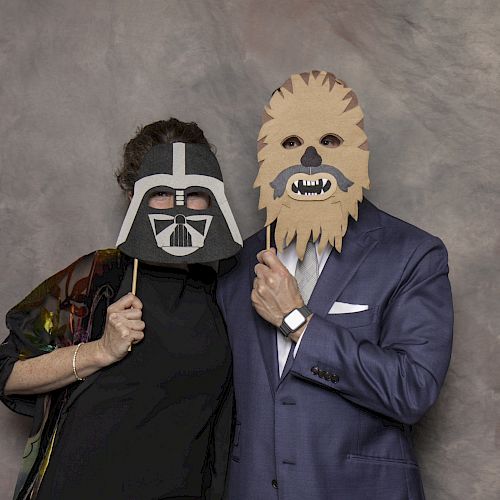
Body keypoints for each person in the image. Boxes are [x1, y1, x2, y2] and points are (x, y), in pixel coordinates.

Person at [216, 71, 453, 499]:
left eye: (328, 140)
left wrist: (297, 320)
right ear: (266, 155)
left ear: (357, 151)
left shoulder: (412, 254)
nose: (310, 158)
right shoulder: (233, 264)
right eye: (290, 142)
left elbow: (413, 390)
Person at [0, 118, 242, 500]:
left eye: (193, 192)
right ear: (133, 198)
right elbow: (7, 371)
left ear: (211, 199)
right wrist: (100, 351)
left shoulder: (225, 287)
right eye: (160, 192)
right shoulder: (98, 276)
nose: (177, 206)